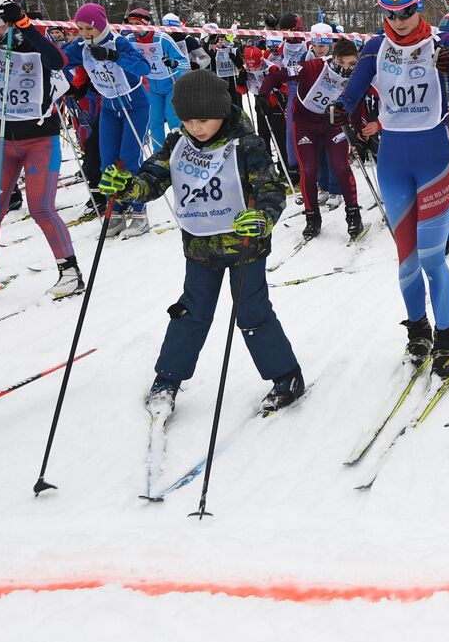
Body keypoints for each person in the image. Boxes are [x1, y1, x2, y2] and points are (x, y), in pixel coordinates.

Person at [98, 70, 304, 415]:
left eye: (204, 120)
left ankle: (286, 376)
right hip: (199, 247)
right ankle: (167, 379)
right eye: (188, 120)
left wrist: (264, 219)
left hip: (244, 246)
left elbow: (270, 190)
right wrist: (128, 188)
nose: (196, 127)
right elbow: (153, 177)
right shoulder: (177, 143)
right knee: (191, 311)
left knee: (252, 313)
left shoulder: (246, 145)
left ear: (222, 112)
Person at [330, 0, 449, 379]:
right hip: (392, 160)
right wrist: (341, 106)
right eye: (390, 12)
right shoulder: (375, 47)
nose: (398, 20)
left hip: (434, 159)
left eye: (406, 11)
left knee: (431, 256)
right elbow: (353, 91)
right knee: (406, 260)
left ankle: (446, 336)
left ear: (419, 6)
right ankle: (419, 330)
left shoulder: (442, 42)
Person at [0, 0, 82, 297]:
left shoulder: (33, 43)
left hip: (39, 141)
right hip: (0, 143)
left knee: (41, 208)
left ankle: (70, 271)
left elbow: (58, 60)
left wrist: (24, 24)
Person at [266, 33, 364, 241]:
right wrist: (263, 95)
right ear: (334, 57)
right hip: (305, 125)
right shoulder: (315, 66)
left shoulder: (356, 76)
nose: (346, 68)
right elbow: (278, 76)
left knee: (340, 165)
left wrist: (360, 132)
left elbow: (361, 102)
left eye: (352, 63)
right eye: (342, 62)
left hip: (332, 126)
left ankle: (353, 214)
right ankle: (312, 218)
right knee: (308, 169)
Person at [69, 3, 154, 238]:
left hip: (134, 105)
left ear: (100, 25)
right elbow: (60, 60)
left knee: (128, 160)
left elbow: (143, 67)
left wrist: (113, 56)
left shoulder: (119, 42)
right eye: (80, 29)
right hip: (109, 107)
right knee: (107, 161)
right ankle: (114, 211)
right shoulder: (81, 47)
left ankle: (139, 212)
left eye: (89, 28)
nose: (85, 34)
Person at [124, 7, 188, 151]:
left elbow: (184, 62)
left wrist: (173, 63)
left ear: (146, 23)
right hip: (151, 87)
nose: (133, 28)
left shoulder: (162, 38)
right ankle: (158, 154)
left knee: (174, 121)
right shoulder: (129, 40)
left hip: (171, 84)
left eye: (137, 24)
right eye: (130, 24)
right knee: (154, 122)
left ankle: (179, 151)